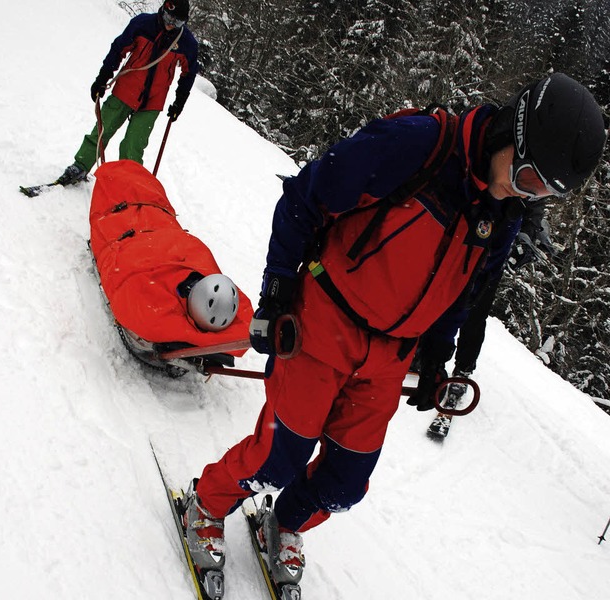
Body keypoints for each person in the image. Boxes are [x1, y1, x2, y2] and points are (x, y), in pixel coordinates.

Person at [179, 73, 606, 592]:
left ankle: (285, 522)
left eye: (541, 192)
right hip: (324, 320)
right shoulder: (421, 145)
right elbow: (304, 196)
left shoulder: (503, 213)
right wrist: (275, 292)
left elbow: (463, 295)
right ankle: (207, 503)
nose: (524, 193)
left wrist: (435, 361)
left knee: (344, 483)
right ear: (507, 133)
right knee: (279, 457)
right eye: (528, 176)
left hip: (388, 357)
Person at [407, 198, 557, 411]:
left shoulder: (528, 186)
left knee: (475, 311)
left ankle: (463, 370)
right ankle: (423, 349)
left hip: (496, 235)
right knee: (436, 290)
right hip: (466, 224)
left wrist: (527, 233)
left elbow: (535, 204)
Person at [89, 159, 252, 354]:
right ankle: (129, 174)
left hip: (136, 234)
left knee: (123, 201)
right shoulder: (230, 313)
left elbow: (132, 286)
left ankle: (123, 174)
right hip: (160, 228)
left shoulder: (154, 314)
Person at [58, 0, 198, 186]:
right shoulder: (142, 25)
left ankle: (126, 185)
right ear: (163, 11)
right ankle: (81, 165)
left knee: (134, 146)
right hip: (125, 91)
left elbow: (189, 75)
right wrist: (103, 78)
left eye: (178, 22)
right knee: (102, 130)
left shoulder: (186, 43)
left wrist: (179, 103)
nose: (171, 24)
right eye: (168, 18)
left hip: (153, 102)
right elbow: (118, 50)